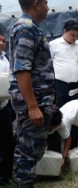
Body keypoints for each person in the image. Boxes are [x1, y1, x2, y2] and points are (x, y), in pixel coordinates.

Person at [9, 0, 55, 187]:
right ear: (36, 4)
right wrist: (33, 106)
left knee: (32, 150)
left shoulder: (31, 28)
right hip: (32, 104)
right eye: (45, 3)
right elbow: (22, 70)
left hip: (38, 101)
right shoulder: (27, 29)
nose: (48, 7)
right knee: (27, 153)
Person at [49, 20, 78, 107]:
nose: (75, 38)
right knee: (60, 111)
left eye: (77, 36)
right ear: (65, 31)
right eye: (72, 35)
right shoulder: (53, 45)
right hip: (59, 85)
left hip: (76, 86)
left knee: (76, 110)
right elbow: (47, 65)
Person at [0, 28, 15, 186]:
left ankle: (5, 177)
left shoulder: (5, 60)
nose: (2, 43)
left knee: (8, 143)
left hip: (4, 106)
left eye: (4, 41)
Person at [47, 105, 71, 172]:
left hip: (51, 137)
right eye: (50, 128)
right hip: (36, 135)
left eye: (54, 128)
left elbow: (68, 138)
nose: (51, 130)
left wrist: (64, 157)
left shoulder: (61, 124)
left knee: (55, 139)